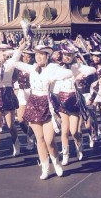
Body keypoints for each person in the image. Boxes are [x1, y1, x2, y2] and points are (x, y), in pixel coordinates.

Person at [12, 44, 70, 179]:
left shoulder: (53, 67)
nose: (38, 57)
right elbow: (14, 62)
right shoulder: (32, 68)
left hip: (48, 103)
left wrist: (54, 78)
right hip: (34, 102)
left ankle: (56, 161)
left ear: (47, 56)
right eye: (36, 54)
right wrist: (19, 49)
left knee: (49, 140)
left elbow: (67, 73)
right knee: (40, 139)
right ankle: (45, 167)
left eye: (41, 54)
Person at [52, 47, 96, 166]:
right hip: (61, 98)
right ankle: (65, 155)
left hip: (73, 99)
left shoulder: (77, 66)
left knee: (74, 131)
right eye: (66, 54)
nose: (68, 57)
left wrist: (81, 74)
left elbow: (92, 69)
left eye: (70, 55)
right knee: (64, 131)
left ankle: (79, 143)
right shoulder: (56, 67)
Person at [0, 44, 20, 161]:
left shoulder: (11, 63)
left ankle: (15, 142)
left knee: (10, 125)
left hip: (7, 92)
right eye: (0, 51)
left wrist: (9, 53)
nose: (2, 53)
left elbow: (17, 54)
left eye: (4, 51)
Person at [14, 49, 35, 150]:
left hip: (32, 92)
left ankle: (30, 140)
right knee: (21, 120)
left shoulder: (34, 67)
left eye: (28, 56)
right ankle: (30, 134)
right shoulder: (19, 67)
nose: (26, 58)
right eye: (24, 56)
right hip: (22, 93)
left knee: (31, 119)